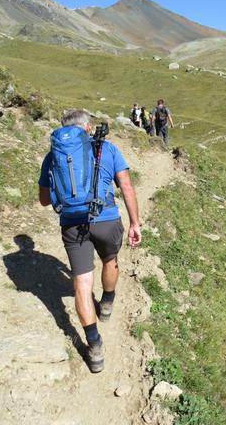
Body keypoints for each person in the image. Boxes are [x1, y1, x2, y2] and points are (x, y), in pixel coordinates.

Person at [38, 110, 141, 373]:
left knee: (82, 284)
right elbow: (126, 186)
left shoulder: (53, 157)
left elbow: (44, 200)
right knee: (110, 260)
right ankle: (106, 303)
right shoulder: (109, 149)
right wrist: (134, 223)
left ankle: (94, 345)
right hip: (105, 219)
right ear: (88, 127)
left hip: (72, 224)